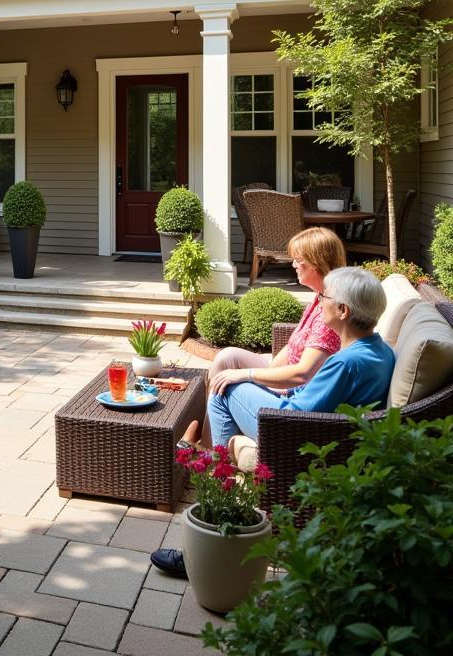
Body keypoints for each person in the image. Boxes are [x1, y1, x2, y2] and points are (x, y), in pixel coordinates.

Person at [152, 266, 395, 580]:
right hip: (318, 429)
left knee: (225, 387)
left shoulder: (347, 363)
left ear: (343, 310)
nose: (320, 302)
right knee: (228, 382)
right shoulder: (378, 350)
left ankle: (211, 514)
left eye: (325, 297)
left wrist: (250, 379)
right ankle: (213, 466)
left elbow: (296, 416)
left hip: (294, 435)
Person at [193, 227, 346, 447]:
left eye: (298, 259)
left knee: (224, 385)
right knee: (227, 357)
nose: (292, 264)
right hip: (289, 380)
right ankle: (207, 442)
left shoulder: (330, 313)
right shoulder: (320, 297)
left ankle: (212, 454)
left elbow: (303, 374)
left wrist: (250, 375)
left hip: (296, 396)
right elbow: (294, 342)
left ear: (316, 262)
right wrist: (269, 368)